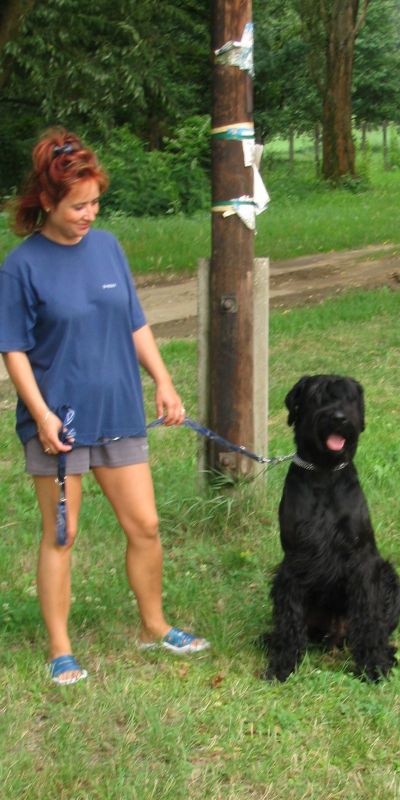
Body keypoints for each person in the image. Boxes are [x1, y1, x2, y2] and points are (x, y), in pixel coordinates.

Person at [0, 129, 210, 686]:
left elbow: (134, 322)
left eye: (95, 202)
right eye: (78, 205)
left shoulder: (108, 247)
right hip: (59, 424)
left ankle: (154, 626)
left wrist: (163, 381)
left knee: (145, 524)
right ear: (48, 201)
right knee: (62, 534)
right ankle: (60, 649)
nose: (89, 214)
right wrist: (41, 415)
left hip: (118, 410)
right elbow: (13, 349)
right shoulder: (22, 266)